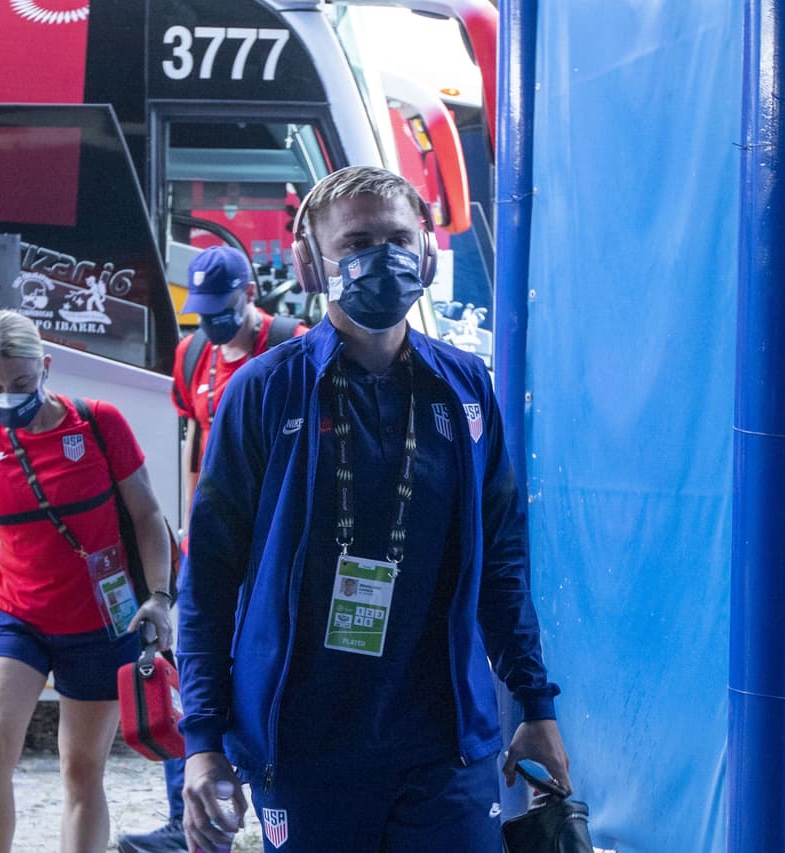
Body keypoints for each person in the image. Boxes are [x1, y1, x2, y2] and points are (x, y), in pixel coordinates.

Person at [175, 167, 571, 853]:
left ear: (423, 250)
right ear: (309, 262)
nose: (380, 256)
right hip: (304, 747)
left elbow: (502, 561)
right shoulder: (266, 392)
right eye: (356, 240)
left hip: (443, 744)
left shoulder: (465, 389)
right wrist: (202, 742)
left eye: (396, 238)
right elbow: (208, 578)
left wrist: (535, 706)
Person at [0, 309, 173, 853]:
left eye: (21, 383)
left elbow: (147, 516)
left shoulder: (98, 423)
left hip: (101, 619)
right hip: (15, 614)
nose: (8, 396)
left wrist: (160, 599)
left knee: (80, 769)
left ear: (45, 367)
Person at [118, 246, 305, 853]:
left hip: (274, 547)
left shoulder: (288, 346)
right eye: (199, 311)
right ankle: (190, 823)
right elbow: (196, 437)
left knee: (266, 675)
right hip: (212, 542)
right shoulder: (192, 353)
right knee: (191, 673)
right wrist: (187, 521)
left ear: (247, 293)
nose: (209, 323)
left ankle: (285, 809)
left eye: (219, 309)